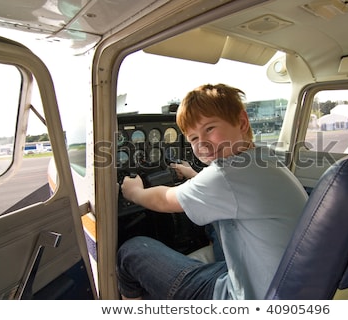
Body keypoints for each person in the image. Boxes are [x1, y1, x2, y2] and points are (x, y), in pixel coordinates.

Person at [117, 83, 308, 299]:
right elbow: (231, 193)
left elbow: (164, 200)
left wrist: (134, 193)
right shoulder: (263, 159)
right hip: (282, 281)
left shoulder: (227, 173)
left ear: (242, 122)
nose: (203, 145)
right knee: (212, 224)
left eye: (209, 129)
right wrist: (192, 175)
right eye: (194, 138)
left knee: (131, 251)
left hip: (248, 297)